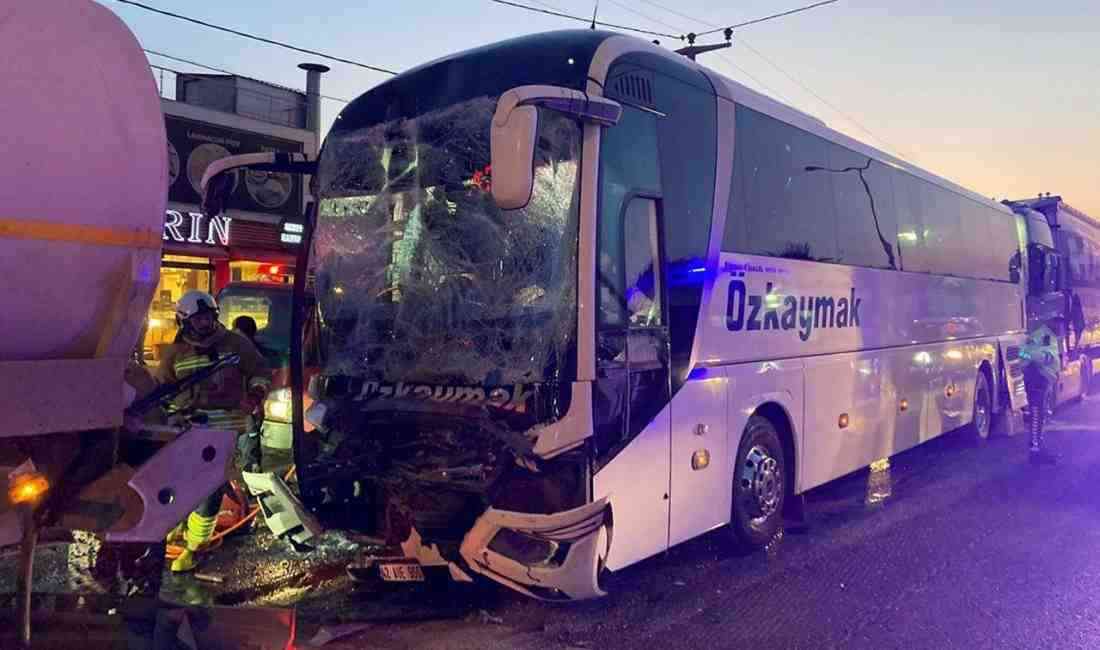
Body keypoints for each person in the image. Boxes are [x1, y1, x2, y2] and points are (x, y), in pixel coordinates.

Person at [156, 291, 271, 572]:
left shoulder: (236, 344)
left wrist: (255, 395)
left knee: (209, 487)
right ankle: (181, 526)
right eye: (198, 319)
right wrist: (171, 414)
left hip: (226, 427)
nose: (205, 324)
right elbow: (162, 392)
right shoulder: (174, 353)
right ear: (184, 321)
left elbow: (260, 372)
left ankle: (196, 546)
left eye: (208, 317)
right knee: (182, 483)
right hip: (187, 428)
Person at [1020, 323, 1060, 464]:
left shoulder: (1048, 334)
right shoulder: (1041, 334)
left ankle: (1037, 448)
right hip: (1037, 377)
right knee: (1037, 413)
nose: (1061, 326)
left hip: (1042, 378)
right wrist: (1044, 358)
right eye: (1058, 321)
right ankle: (1035, 451)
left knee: (1040, 414)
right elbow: (1023, 353)